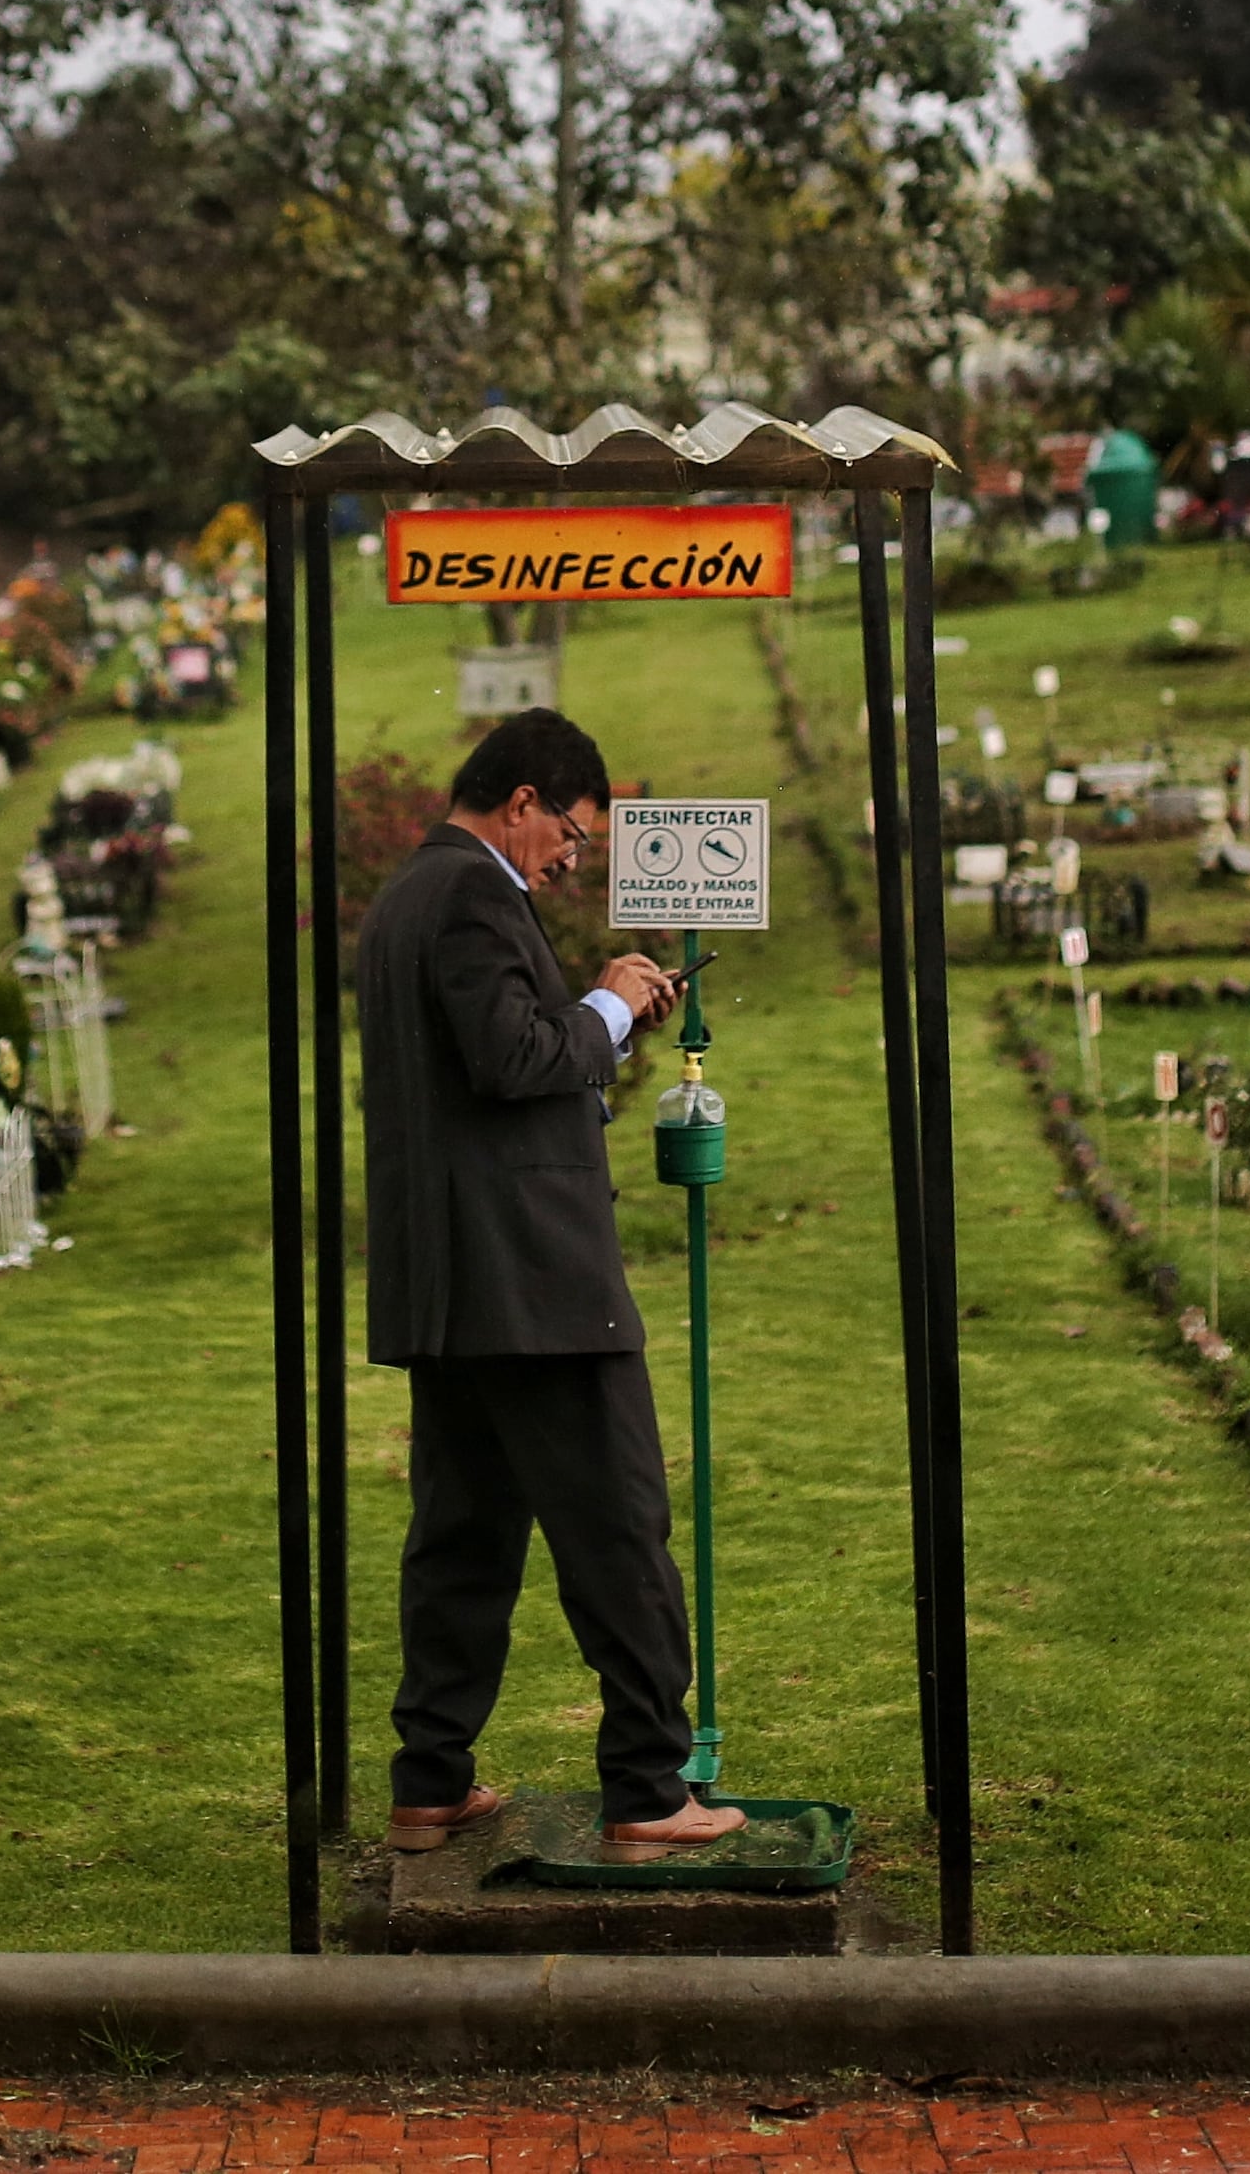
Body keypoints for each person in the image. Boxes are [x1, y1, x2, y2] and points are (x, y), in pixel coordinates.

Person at [357, 706, 743, 1853]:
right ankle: (647, 1788)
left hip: (449, 1287)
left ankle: (429, 1782)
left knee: (462, 1542)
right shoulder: (475, 894)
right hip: (533, 1285)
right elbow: (514, 1057)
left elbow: (481, 1056)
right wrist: (612, 1006)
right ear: (520, 801)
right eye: (569, 834)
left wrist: (594, 1008)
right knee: (620, 1529)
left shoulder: (403, 898)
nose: (570, 859)